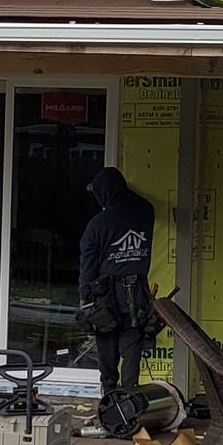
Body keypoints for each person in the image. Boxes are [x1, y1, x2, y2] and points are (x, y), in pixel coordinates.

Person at [77, 166, 155, 403]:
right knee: (132, 349)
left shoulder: (97, 225)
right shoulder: (145, 212)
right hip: (137, 296)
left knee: (107, 351)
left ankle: (110, 403)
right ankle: (130, 403)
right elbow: (138, 200)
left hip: (106, 298)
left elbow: (88, 266)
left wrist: (84, 297)